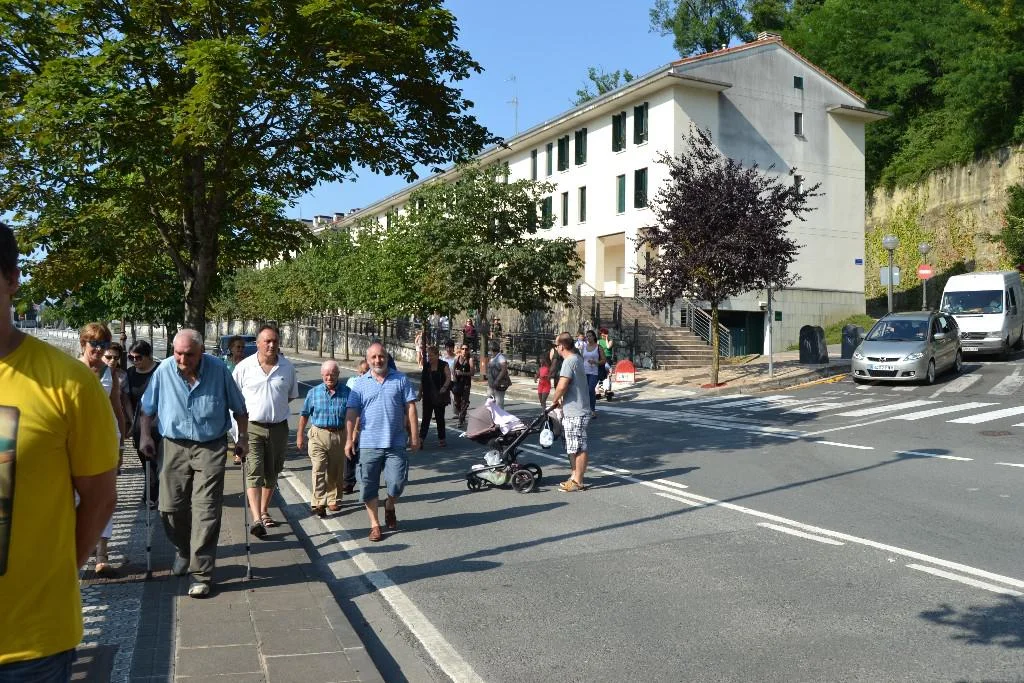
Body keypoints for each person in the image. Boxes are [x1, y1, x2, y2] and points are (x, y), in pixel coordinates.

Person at [0, 222, 118, 679]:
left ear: (12, 280)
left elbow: (99, 498)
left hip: (31, 645)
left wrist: (56, 575)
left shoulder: (68, 383)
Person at [139, 329, 248, 598]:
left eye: (188, 354)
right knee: (169, 508)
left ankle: (201, 574)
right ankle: (184, 550)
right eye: (178, 353)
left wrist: (242, 438)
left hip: (210, 446)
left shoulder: (218, 370)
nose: (182, 360)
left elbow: (240, 408)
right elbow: (147, 408)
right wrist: (145, 436)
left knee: (206, 510)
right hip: (173, 445)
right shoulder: (164, 370)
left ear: (201, 352)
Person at [344, 342, 418, 542]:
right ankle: (375, 525)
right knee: (368, 485)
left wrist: (414, 435)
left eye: (381, 356)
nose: (378, 360)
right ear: (368, 360)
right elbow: (351, 412)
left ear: (387, 357)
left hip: (396, 442)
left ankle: (389, 504)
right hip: (369, 443)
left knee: (397, 483)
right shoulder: (360, 384)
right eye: (374, 357)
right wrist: (349, 439)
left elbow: (410, 408)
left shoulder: (400, 379)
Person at [232, 325, 298, 538]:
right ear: (258, 343)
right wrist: (238, 434)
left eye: (275, 341)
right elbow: (234, 398)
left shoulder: (287, 367)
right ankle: (256, 519)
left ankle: (263, 510)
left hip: (278, 428)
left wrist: (273, 409)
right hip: (252, 427)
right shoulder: (244, 367)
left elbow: (290, 396)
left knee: (273, 471)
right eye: (267, 341)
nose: (271, 345)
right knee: (255, 471)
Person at [79, 323, 127, 576]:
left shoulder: (110, 373)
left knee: (105, 496)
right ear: (83, 344)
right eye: (94, 344)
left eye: (103, 344)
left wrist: (122, 443)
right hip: (78, 441)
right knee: (75, 498)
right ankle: (77, 549)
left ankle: (102, 554)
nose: (98, 349)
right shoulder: (71, 370)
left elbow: (116, 406)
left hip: (107, 438)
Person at [297, 360, 349, 517]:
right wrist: (300, 435)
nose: (329, 377)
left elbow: (353, 416)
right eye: (326, 374)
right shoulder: (313, 393)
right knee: (318, 467)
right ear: (322, 375)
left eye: (332, 374)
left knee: (335, 469)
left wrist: (353, 435)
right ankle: (319, 502)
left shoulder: (347, 392)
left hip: (339, 434)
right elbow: (304, 414)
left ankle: (333, 499)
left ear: (338, 374)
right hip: (318, 434)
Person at [549, 332, 590, 492]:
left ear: (561, 346)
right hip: (574, 409)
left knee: (578, 446)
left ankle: (578, 481)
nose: (556, 348)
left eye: (556, 345)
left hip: (576, 411)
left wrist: (554, 400)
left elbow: (562, 384)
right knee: (572, 446)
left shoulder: (569, 361)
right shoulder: (577, 358)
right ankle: (574, 476)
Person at [126, 340, 161, 507]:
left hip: (160, 424)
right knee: (146, 461)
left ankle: (156, 494)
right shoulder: (130, 373)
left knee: (160, 461)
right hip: (140, 425)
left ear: (149, 356)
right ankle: (151, 493)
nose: (135, 361)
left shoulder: (160, 370)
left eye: (138, 357)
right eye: (131, 358)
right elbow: (127, 399)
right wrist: (131, 421)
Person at [342, 360, 369, 494]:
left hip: (367, 424)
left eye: (366, 372)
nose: (363, 375)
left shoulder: (375, 383)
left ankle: (367, 481)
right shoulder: (352, 382)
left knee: (365, 455)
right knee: (351, 450)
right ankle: (348, 482)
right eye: (361, 372)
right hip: (353, 421)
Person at [418, 346, 452, 448]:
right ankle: (421, 439)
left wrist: (444, 387)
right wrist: (420, 393)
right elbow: (422, 381)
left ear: (437, 355)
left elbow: (448, 377)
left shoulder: (443, 365)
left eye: (431, 356)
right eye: (428, 356)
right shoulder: (426, 366)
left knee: (439, 418)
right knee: (426, 418)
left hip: (439, 396)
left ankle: (442, 438)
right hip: (427, 395)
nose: (429, 358)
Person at [581, 330, 605, 418]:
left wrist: (595, 362)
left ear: (594, 337)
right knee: (584, 391)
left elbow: (604, 360)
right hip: (584, 372)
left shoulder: (598, 347)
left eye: (590, 336)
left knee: (590, 389)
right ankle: (585, 409)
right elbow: (581, 359)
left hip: (594, 372)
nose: (588, 338)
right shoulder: (584, 347)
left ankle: (592, 409)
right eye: (587, 336)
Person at [452, 344, 474, 429]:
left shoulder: (470, 360)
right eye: (463, 349)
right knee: (457, 402)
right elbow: (453, 370)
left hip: (466, 384)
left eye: (466, 349)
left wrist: (462, 373)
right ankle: (461, 415)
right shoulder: (457, 358)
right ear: (460, 350)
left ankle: (461, 420)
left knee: (464, 402)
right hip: (457, 383)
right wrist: (454, 378)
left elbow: (472, 373)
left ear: (468, 350)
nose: (464, 350)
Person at [486, 339, 511, 408]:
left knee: (499, 403)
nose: (490, 352)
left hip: (499, 384)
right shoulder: (493, 358)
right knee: (490, 401)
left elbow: (504, 370)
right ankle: (492, 414)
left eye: (490, 350)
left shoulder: (501, 358)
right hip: (492, 384)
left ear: (492, 349)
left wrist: (497, 380)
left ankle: (499, 414)